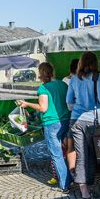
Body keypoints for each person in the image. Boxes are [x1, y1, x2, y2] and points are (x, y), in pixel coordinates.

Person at [17, 62, 72, 192]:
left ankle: (65, 185)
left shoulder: (44, 88)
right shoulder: (63, 84)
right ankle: (69, 179)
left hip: (52, 124)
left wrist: (27, 104)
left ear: (41, 74)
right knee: (65, 152)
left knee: (57, 154)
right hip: (65, 121)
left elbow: (43, 108)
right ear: (52, 71)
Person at [65, 51, 100, 199]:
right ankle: (88, 187)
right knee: (93, 154)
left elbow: (69, 101)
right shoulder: (98, 76)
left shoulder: (74, 79)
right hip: (94, 120)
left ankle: (85, 191)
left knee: (81, 154)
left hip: (76, 120)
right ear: (95, 63)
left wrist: (78, 107)